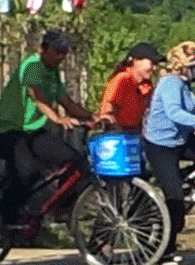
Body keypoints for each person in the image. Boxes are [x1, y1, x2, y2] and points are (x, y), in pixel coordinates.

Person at [2, 29, 93, 217]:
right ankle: (6, 215)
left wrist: (93, 118)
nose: (61, 56)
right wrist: (58, 119)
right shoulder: (32, 66)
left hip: (34, 132)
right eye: (57, 51)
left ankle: (62, 207)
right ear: (43, 48)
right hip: (9, 129)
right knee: (27, 172)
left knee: (73, 161)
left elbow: (67, 102)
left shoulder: (52, 73)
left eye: (65, 52)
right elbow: (37, 96)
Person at [142, 40, 195, 241]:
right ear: (185, 66)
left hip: (181, 140)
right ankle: (163, 248)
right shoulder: (171, 83)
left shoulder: (185, 86)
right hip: (161, 146)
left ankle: (190, 180)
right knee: (175, 199)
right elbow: (175, 113)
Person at [98, 44, 160, 133]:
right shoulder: (122, 80)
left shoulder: (146, 85)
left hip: (137, 133)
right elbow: (108, 111)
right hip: (120, 134)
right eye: (152, 63)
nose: (154, 68)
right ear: (136, 61)